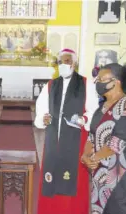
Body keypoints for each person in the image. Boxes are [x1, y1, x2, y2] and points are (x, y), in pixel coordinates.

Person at [34, 48, 99, 214]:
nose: (64, 64)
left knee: (74, 180)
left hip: (76, 141)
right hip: (53, 142)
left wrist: (84, 119)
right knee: (51, 176)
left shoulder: (86, 84)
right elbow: (41, 110)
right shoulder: (50, 85)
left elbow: (94, 111)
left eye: (67, 61)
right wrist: (43, 118)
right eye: (61, 62)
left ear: (74, 63)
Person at [81, 63, 126, 214]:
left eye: (101, 79)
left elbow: (117, 142)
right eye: (97, 79)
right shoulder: (102, 107)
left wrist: (93, 158)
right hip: (100, 173)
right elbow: (92, 135)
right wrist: (85, 156)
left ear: (116, 82)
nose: (97, 83)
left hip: (120, 176)